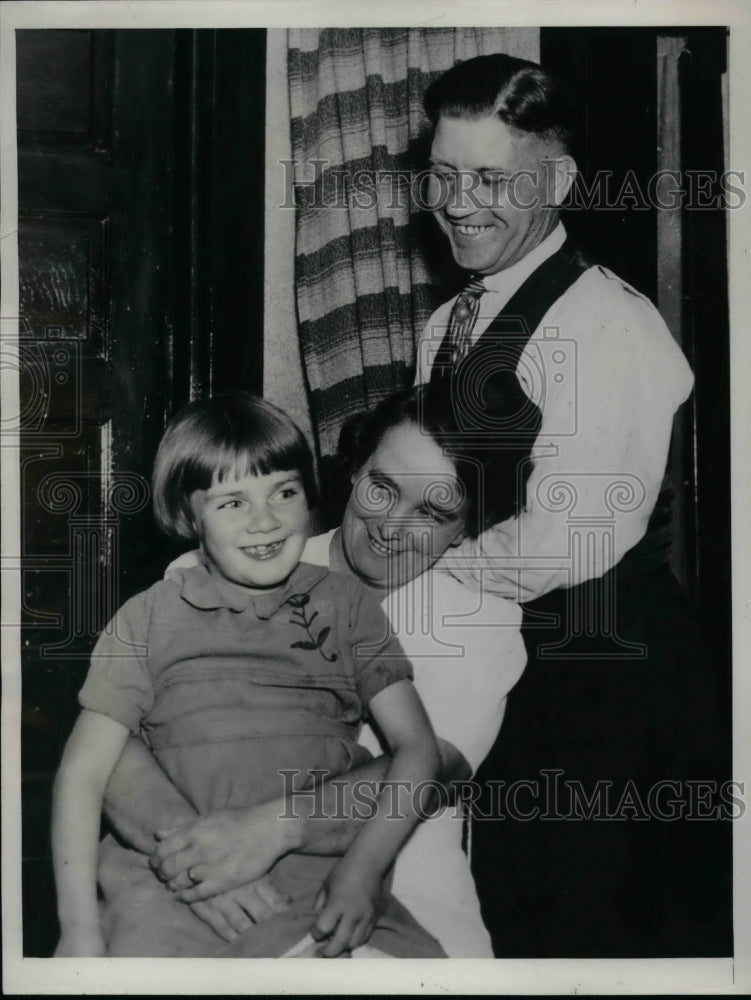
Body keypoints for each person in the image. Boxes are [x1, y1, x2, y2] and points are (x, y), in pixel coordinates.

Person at [415, 53, 730, 956]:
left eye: (488, 178)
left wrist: (410, 577)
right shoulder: (446, 327)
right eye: (441, 175)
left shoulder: (605, 324)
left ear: (557, 181)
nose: (456, 201)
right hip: (494, 675)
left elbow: (566, 538)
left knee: (589, 940)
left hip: (604, 693)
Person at [97, 374, 540, 958]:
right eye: (382, 487)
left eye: (434, 512)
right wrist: (200, 868)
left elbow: (425, 770)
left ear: (468, 529)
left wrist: (266, 831)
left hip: (384, 901)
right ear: (355, 467)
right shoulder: (223, 562)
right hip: (193, 885)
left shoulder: (478, 623)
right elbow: (113, 744)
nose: (390, 526)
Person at [52, 392, 448, 959]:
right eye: (232, 502)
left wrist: (364, 870)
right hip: (173, 884)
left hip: (322, 881)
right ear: (189, 516)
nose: (266, 521)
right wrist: (78, 927)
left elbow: (419, 752)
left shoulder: (346, 604)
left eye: (284, 492)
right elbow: (83, 775)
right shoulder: (147, 617)